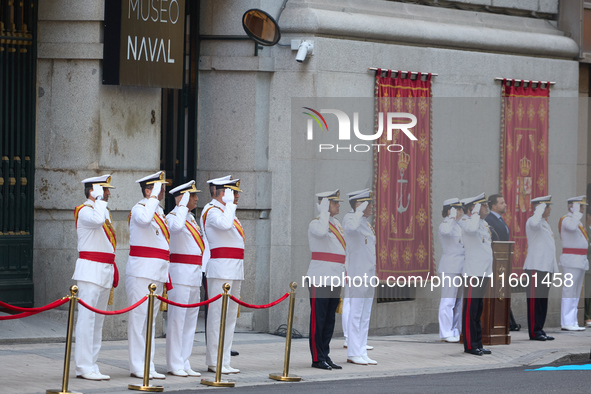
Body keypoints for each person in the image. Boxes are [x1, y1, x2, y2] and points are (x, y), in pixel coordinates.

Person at [72, 174, 117, 381]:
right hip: (90, 271)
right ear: (93, 191)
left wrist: (100, 203)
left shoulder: (101, 209)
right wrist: (98, 200)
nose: (108, 193)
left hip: (104, 269)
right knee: (87, 321)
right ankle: (83, 366)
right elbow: (98, 221)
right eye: (104, 190)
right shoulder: (84, 211)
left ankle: (92, 363)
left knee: (98, 322)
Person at [127, 171, 170, 379]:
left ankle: (148, 364)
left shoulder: (158, 211)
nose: (163, 191)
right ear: (148, 190)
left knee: (151, 322)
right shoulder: (139, 209)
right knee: (139, 321)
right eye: (159, 187)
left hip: (157, 272)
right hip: (142, 272)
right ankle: (137, 366)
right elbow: (144, 221)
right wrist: (152, 198)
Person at [200, 175, 244, 374]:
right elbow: (225, 226)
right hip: (220, 269)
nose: (236, 197)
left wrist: (228, 206)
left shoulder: (226, 211)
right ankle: (214, 361)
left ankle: (224, 360)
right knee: (217, 317)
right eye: (232, 193)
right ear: (222, 193)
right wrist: (229, 205)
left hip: (234, 269)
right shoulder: (211, 211)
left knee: (230, 318)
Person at [165, 180, 203, 377]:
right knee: (177, 321)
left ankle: (184, 360)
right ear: (183, 197)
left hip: (194, 274)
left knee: (190, 321)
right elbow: (176, 229)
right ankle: (174, 362)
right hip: (180, 274)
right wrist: (181, 204)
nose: (196, 198)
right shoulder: (173, 217)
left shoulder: (191, 218)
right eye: (192, 195)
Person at [306, 190, 346, 370]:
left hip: (335, 277)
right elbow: (322, 233)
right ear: (324, 205)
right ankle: (317, 358)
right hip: (319, 277)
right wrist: (323, 211)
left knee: (329, 320)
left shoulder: (336, 224)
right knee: (318, 319)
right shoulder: (316, 224)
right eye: (334, 202)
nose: (338, 205)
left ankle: (325, 354)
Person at [343, 189, 377, 366]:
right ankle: (353, 352)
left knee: (365, 315)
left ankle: (361, 350)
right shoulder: (351, 219)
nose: (371, 207)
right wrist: (358, 211)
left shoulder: (365, 222)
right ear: (358, 204)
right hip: (357, 274)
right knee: (355, 315)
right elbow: (351, 229)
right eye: (367, 203)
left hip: (369, 274)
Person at [459, 193, 493, 356]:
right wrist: (474, 212)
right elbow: (471, 230)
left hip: (484, 271)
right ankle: (470, 345)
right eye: (483, 205)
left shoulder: (483, 223)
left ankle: (478, 342)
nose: (486, 207)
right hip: (473, 272)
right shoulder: (466, 221)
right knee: (470, 309)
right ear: (474, 207)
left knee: (478, 308)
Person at [523, 195, 556, 341]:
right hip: (535, 267)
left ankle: (540, 329)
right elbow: (535, 223)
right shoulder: (533, 221)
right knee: (534, 301)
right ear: (540, 208)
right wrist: (539, 209)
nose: (549, 209)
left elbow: (550, 248)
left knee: (542, 301)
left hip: (545, 267)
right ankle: (534, 331)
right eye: (547, 206)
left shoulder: (545, 223)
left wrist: (553, 269)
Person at [485, 193, 520, 332]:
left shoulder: (499, 220)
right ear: (493, 206)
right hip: (495, 262)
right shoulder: (489, 220)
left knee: (502, 292)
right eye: (501, 203)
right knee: (496, 292)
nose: (505, 205)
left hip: (502, 262)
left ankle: (507, 321)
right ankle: (501, 321)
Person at [559, 195, 589, 331]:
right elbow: (571, 228)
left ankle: (573, 321)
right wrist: (576, 213)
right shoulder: (566, 220)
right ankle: (566, 321)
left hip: (580, 260)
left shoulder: (577, 221)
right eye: (580, 206)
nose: (582, 209)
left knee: (576, 293)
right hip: (571, 260)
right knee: (569, 291)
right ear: (573, 206)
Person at [437, 198, 464, 343]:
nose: (461, 212)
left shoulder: (459, 226)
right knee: (448, 301)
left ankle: (455, 330)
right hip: (450, 267)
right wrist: (452, 216)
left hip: (461, 267)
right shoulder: (446, 224)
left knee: (458, 301)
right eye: (458, 209)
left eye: (460, 209)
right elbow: (446, 232)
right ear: (450, 210)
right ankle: (445, 332)